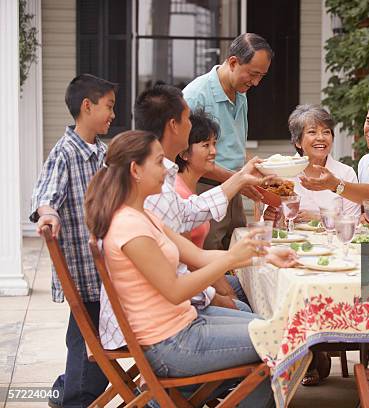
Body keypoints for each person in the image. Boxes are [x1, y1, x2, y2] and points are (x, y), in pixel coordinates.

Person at [84, 131, 294, 408]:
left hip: (184, 324)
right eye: (159, 162)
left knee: (278, 332)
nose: (167, 169)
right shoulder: (129, 227)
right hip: (170, 344)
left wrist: (264, 256)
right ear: (135, 170)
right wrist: (231, 260)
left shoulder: (143, 215)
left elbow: (199, 255)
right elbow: (174, 290)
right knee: (282, 341)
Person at [99, 85, 272, 351]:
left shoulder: (144, 207)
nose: (168, 171)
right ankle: (192, 391)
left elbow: (190, 224)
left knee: (267, 327)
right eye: (188, 118)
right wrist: (220, 285)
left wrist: (258, 255)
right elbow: (176, 284)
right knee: (272, 337)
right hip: (165, 331)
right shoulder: (138, 212)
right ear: (173, 125)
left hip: (175, 316)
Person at [30, 74, 117, 408]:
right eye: (108, 107)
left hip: (104, 268)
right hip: (83, 272)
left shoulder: (103, 153)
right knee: (88, 339)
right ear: (87, 106)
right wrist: (49, 215)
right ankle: (76, 399)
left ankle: (65, 388)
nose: (112, 114)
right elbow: (46, 194)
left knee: (87, 336)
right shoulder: (64, 152)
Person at [183, 33, 274, 250]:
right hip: (204, 191)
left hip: (234, 190)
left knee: (239, 257)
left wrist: (257, 174)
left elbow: (236, 145)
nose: (256, 82)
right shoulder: (195, 96)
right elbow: (186, 158)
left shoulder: (241, 94)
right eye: (253, 74)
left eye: (262, 76)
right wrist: (240, 180)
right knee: (210, 262)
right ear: (233, 62)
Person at [175, 109, 252, 312]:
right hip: (189, 292)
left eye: (214, 144)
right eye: (205, 145)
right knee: (245, 305)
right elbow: (190, 261)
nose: (214, 152)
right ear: (184, 153)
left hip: (200, 274)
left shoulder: (188, 187)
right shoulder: (177, 192)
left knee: (250, 289)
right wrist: (224, 294)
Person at [264, 105, 361, 224]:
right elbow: (267, 221)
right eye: (312, 132)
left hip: (333, 242)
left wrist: (319, 218)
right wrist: (273, 219)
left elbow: (354, 222)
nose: (321, 138)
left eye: (326, 132)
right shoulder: (282, 171)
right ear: (298, 142)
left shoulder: (346, 173)